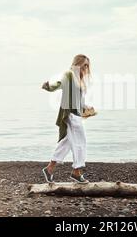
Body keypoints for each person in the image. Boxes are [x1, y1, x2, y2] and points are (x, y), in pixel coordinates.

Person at [41, 54, 95, 184]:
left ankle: (50, 168)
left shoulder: (79, 79)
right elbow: (58, 84)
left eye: (87, 65)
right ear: (78, 63)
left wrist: (87, 109)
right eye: (84, 64)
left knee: (66, 142)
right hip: (70, 114)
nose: (86, 67)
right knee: (80, 142)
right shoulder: (69, 74)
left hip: (76, 114)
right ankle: (76, 172)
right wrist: (49, 87)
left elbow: (79, 101)